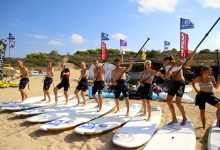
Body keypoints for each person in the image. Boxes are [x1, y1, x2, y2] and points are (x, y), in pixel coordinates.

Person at [158, 52, 195, 125]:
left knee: (178, 103)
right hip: (173, 84)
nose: (165, 63)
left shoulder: (177, 62)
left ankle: (184, 118)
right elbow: (165, 77)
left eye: (165, 62)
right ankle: (174, 119)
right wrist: (159, 74)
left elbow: (187, 65)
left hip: (180, 83)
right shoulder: (170, 68)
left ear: (169, 60)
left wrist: (192, 57)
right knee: (168, 101)